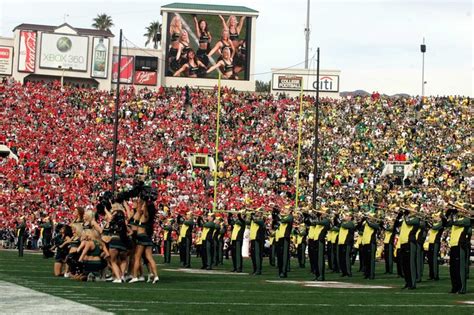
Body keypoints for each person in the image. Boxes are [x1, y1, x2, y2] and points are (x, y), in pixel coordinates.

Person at [130, 200, 159, 284]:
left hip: (142, 237)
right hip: (146, 237)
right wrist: (141, 200)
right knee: (149, 257)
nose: (141, 207)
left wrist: (145, 201)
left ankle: (135, 276)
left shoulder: (146, 215)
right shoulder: (142, 215)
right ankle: (155, 276)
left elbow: (142, 208)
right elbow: (138, 209)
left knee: (137, 257)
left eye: (143, 206)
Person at [394, 205, 420, 290]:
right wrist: (399, 216)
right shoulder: (405, 219)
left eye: (411, 209)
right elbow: (396, 225)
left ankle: (412, 283)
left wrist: (405, 215)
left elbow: (408, 222)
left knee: (411, 264)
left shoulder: (416, 219)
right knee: (405, 265)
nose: (409, 210)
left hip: (410, 243)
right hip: (403, 243)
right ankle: (407, 282)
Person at [446, 205, 471, 294]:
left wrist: (454, 215)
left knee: (460, 268)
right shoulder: (457, 220)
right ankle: (455, 287)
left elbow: (455, 222)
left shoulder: (467, 220)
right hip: (453, 245)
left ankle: (462, 288)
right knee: (453, 269)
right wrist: (448, 214)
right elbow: (447, 223)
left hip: (460, 245)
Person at [426, 211, 445, 280]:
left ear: (440, 218)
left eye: (437, 216)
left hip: (435, 242)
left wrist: (428, 222)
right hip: (431, 242)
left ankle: (435, 276)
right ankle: (431, 275)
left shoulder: (441, 223)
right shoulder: (436, 223)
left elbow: (434, 227)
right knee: (430, 259)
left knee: (434, 259)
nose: (435, 217)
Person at [361, 212, 380, 280]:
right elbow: (359, 227)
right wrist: (362, 220)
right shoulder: (366, 224)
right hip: (365, 243)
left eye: (370, 216)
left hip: (371, 243)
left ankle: (371, 275)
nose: (369, 217)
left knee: (371, 260)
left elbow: (372, 225)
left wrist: (367, 220)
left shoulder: (375, 224)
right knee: (366, 260)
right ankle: (367, 274)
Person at [275, 207, 293, 278]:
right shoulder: (285, 217)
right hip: (280, 237)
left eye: (286, 209)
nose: (284, 210)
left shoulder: (290, 217)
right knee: (280, 255)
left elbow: (281, 220)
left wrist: (278, 214)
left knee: (284, 255)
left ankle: (284, 271)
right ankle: (280, 271)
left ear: (289, 211)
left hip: (285, 238)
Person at [338, 211, 355, 277]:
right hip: (341, 242)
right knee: (341, 258)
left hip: (347, 242)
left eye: (347, 215)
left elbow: (343, 225)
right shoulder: (344, 222)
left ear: (350, 217)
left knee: (347, 257)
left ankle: (348, 272)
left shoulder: (351, 223)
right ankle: (343, 271)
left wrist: (342, 220)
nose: (345, 217)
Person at [249, 210, 265, 275]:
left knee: (257, 255)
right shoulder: (254, 220)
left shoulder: (261, 220)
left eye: (257, 212)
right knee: (253, 255)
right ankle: (255, 269)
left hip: (257, 239)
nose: (256, 213)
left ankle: (258, 270)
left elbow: (256, 220)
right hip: (253, 239)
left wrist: (252, 215)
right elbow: (247, 221)